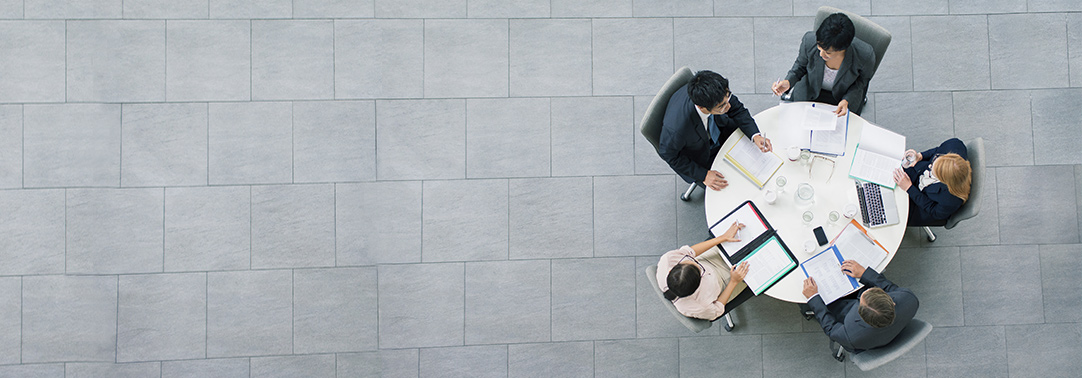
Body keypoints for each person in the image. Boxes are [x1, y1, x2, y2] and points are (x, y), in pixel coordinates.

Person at [660, 70, 772, 191]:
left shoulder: (717, 93)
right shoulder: (677, 129)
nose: (728, 106)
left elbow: (737, 110)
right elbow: (669, 155)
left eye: (728, 97)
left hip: (721, 130)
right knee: (738, 188)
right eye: (722, 106)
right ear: (701, 107)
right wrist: (703, 175)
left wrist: (755, 135)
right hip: (702, 157)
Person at [802, 260, 919, 353]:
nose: (861, 294)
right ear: (891, 300)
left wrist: (813, 298)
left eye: (860, 299)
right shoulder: (909, 299)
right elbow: (890, 287)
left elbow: (831, 329)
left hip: (855, 326)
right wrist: (864, 273)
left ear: (860, 314)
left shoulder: (851, 337)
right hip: (892, 327)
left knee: (827, 302)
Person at [771, 13, 875, 116]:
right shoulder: (809, 40)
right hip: (810, 90)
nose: (821, 54)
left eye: (828, 53)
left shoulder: (865, 55)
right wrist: (788, 81)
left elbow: (862, 81)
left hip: (842, 97)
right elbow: (801, 66)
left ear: (843, 49)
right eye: (819, 48)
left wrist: (847, 100)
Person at [656, 222, 751, 320]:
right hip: (723, 281)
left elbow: (690, 252)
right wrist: (733, 281)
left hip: (707, 258)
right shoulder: (699, 307)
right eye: (698, 268)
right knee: (754, 264)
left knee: (744, 236)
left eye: (690, 261)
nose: (694, 262)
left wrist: (723, 237)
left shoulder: (668, 260)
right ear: (699, 283)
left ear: (671, 269)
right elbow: (717, 309)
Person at [892, 138, 971, 226]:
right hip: (917, 175)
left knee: (890, 211)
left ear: (943, 181)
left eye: (933, 172)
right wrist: (920, 156)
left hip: (920, 205)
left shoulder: (951, 199)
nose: (930, 165)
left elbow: (934, 211)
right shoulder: (954, 145)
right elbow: (937, 151)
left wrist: (909, 188)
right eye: (934, 162)